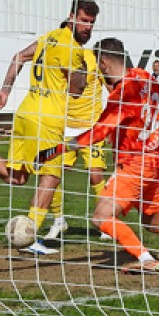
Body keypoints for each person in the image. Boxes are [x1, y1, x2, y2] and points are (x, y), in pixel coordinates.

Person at [36, 38, 159, 273]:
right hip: (155, 162)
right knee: (154, 223)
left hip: (133, 166)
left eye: (99, 65)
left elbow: (98, 132)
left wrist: (55, 150)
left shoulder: (121, 94)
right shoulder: (144, 76)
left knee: (101, 217)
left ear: (104, 63)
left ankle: (146, 259)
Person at [0, 0, 99, 255]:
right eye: (83, 21)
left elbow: (19, 57)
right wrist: (82, 71)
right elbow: (76, 90)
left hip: (26, 113)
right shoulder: (73, 49)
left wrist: (5, 90)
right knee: (51, 176)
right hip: (47, 119)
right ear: (71, 17)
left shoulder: (49, 37)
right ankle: (30, 236)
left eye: (91, 23)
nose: (87, 27)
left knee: (18, 176)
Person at [43, 46, 111, 241]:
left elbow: (112, 90)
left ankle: (105, 223)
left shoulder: (93, 59)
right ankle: (58, 221)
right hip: (66, 128)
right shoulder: (59, 60)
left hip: (92, 128)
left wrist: (110, 124)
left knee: (95, 175)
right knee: (53, 175)